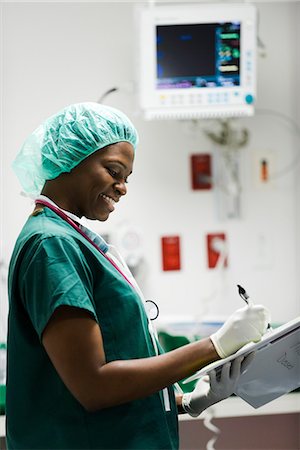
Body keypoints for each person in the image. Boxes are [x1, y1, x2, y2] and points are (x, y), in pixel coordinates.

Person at [6, 102, 270, 450]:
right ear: (70, 158)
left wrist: (185, 401)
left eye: (126, 178)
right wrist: (214, 346)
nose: (122, 187)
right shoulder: (51, 245)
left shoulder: (71, 240)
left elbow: (117, 362)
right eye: (114, 171)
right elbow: (94, 386)